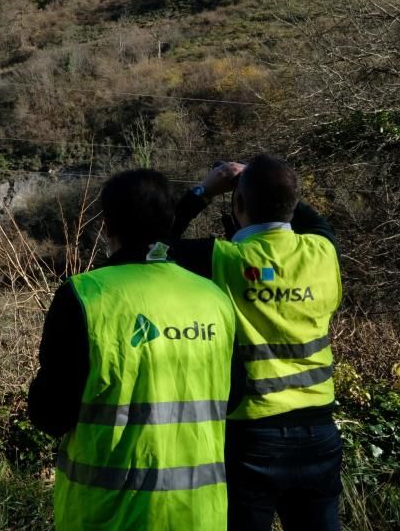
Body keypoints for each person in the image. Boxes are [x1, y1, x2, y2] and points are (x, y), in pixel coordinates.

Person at [28, 168, 236, 531]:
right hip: (200, 514)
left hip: (106, 515)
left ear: (107, 226)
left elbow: (51, 413)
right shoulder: (215, 299)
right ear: (171, 220)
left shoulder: (85, 295)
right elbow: (234, 399)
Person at [171, 154, 343, 531]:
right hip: (319, 430)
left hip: (252, 434)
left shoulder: (224, 258)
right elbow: (314, 221)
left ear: (238, 204)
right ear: (293, 205)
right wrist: (265, 183)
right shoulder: (322, 252)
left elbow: (152, 243)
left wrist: (206, 189)